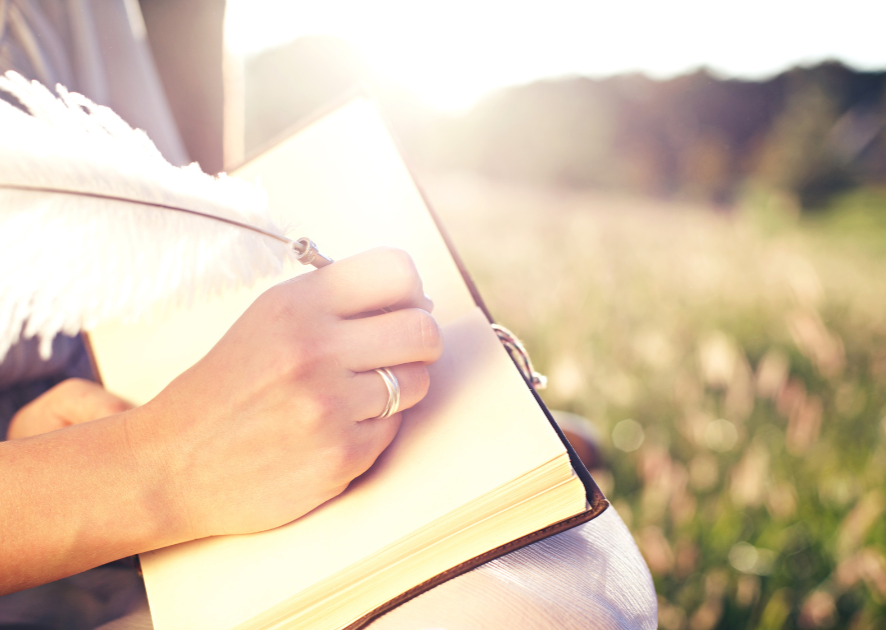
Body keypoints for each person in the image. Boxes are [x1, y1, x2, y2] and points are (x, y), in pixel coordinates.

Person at [0, 1, 657, 628]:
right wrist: (158, 463)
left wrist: (212, 265)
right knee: (547, 614)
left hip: (91, 381)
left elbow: (186, 11)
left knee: (559, 580)